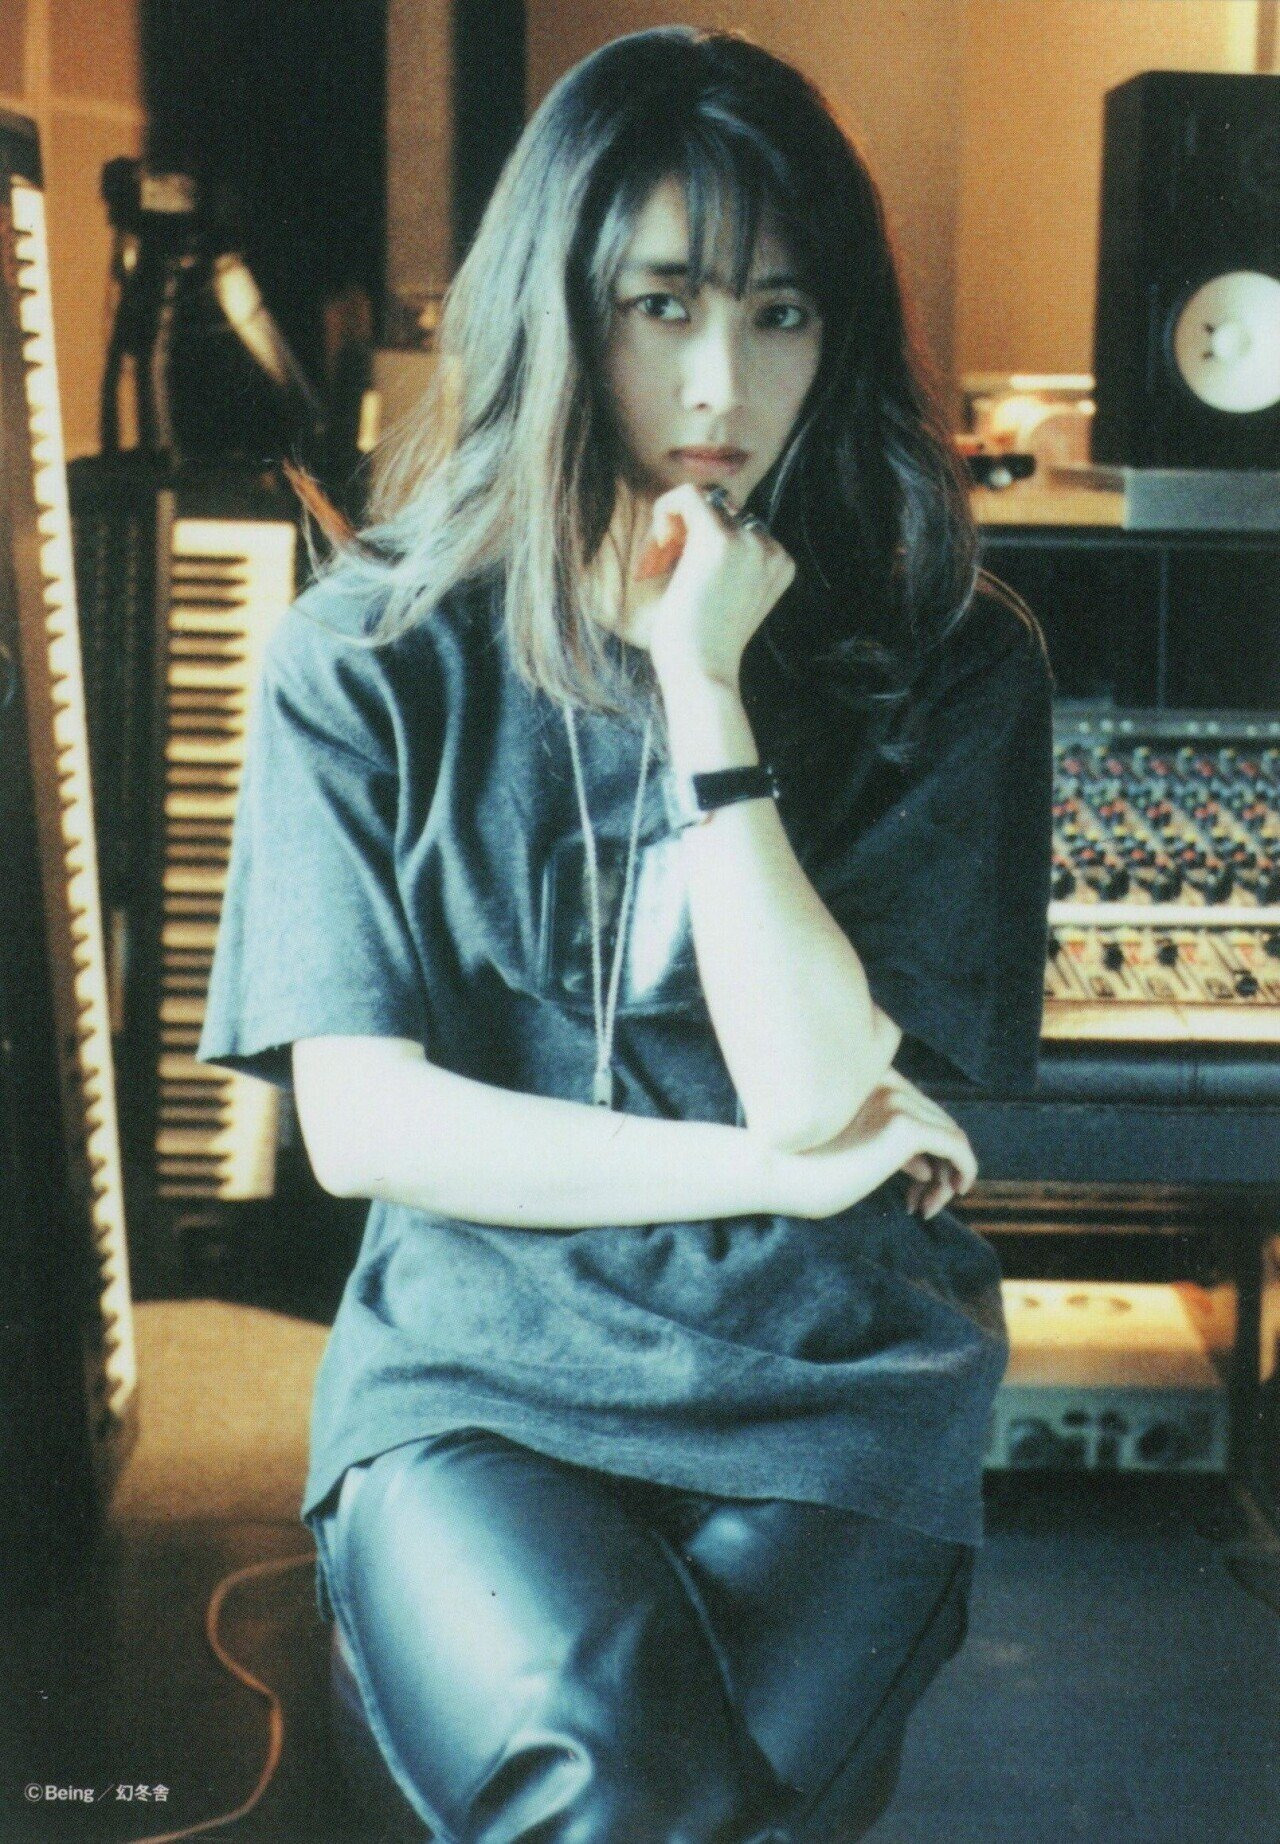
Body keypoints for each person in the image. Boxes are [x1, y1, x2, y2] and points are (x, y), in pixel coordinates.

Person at [198, 25, 1053, 1844]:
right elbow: (367, 1127)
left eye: (782, 314)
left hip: (835, 1386)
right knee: (632, 1802)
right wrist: (764, 1168)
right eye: (662, 307)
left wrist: (702, 691)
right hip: (481, 1380)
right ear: (557, 314)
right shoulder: (366, 658)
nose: (722, 383)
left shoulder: (956, 661)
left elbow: (818, 1086)